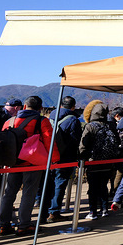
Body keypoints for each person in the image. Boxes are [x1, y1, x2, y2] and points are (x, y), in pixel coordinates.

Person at [0, 96, 54, 236]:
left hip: (12, 163)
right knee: (28, 193)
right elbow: (49, 142)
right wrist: (53, 161)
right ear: (40, 109)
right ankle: (24, 225)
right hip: (33, 162)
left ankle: (2, 225)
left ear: (25, 107)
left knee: (9, 193)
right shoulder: (41, 121)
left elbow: (2, 142)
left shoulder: (10, 121)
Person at [41, 95, 81, 223]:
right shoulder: (73, 120)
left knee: (49, 184)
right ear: (73, 107)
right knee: (60, 183)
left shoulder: (50, 117)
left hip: (50, 156)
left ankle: (45, 211)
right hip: (66, 157)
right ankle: (54, 212)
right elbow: (76, 140)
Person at [79, 100, 119, 220]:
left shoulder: (90, 126)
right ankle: (104, 209)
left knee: (93, 188)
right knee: (103, 186)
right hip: (108, 162)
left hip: (94, 162)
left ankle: (92, 211)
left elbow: (83, 145)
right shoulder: (111, 125)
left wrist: (82, 159)